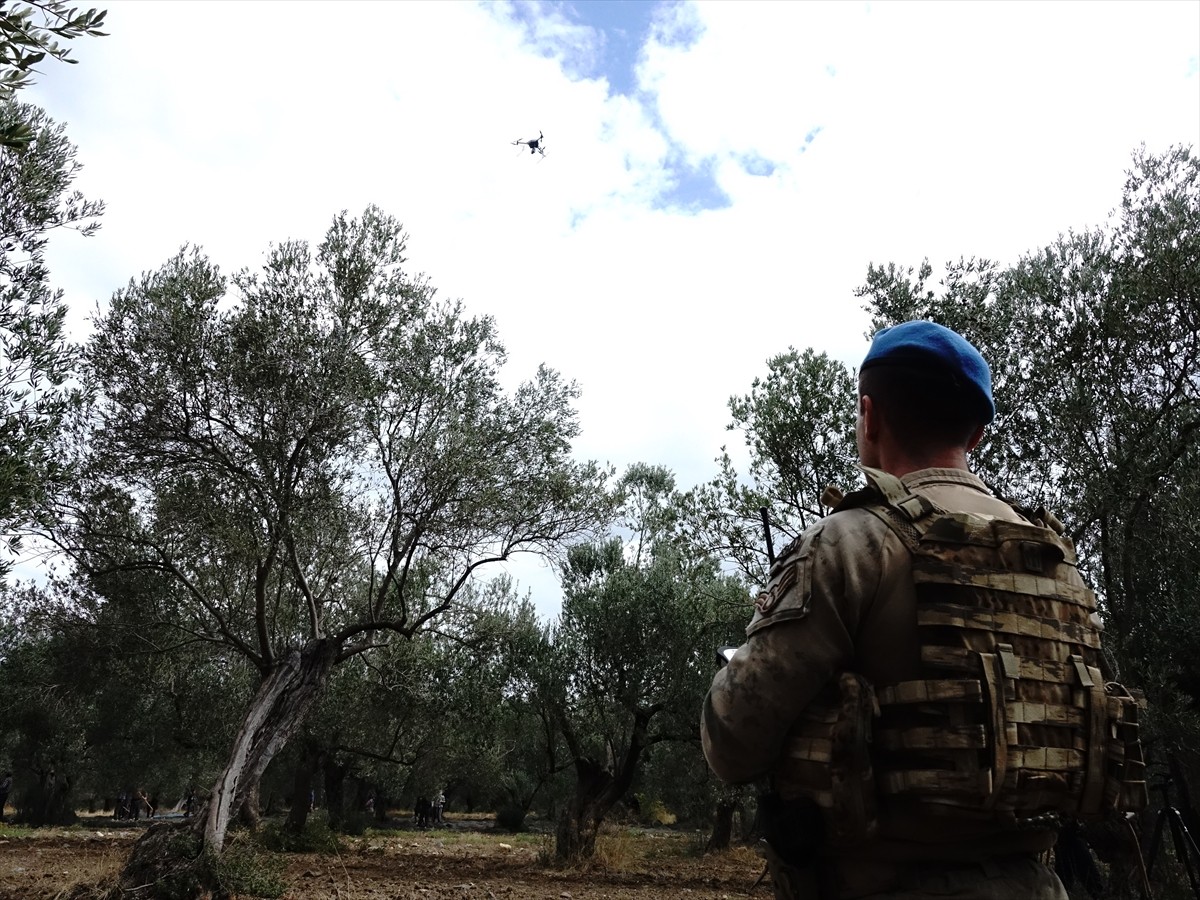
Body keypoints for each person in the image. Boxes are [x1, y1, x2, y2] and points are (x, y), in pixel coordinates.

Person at [702, 321, 1144, 900]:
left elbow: (734, 744)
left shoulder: (850, 546)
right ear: (978, 432)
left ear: (870, 415)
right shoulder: (1052, 558)